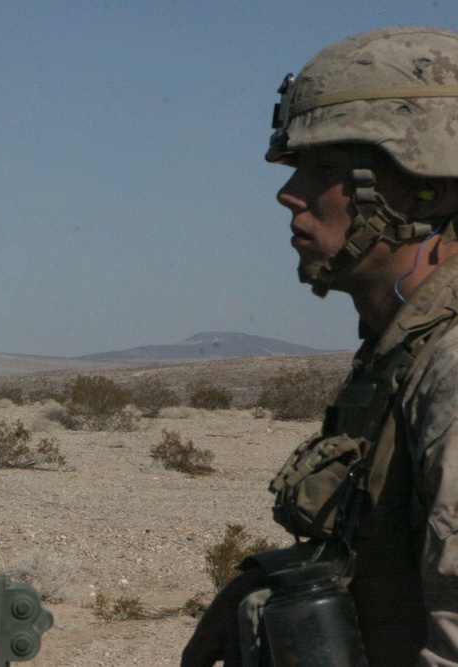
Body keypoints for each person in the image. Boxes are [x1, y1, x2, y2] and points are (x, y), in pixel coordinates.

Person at [182, 26, 458, 667]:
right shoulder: (401, 349)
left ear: (431, 187)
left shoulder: (449, 363)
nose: (290, 193)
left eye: (326, 170)